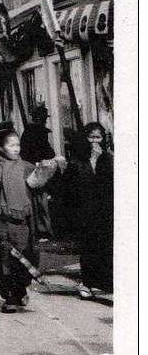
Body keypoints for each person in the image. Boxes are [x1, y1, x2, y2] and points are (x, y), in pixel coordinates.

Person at [0, 128, 65, 313]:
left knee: (26, 258)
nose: (16, 149)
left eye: (18, 145)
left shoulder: (26, 167)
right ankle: (9, 296)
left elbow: (39, 187)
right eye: (11, 145)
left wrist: (50, 169)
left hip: (24, 223)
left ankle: (21, 289)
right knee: (3, 261)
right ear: (0, 147)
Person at [63, 122, 114, 298]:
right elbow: (69, 188)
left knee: (105, 246)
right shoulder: (77, 161)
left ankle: (103, 282)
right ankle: (88, 282)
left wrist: (101, 161)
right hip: (84, 211)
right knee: (88, 247)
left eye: (98, 137)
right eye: (91, 137)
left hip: (104, 210)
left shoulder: (108, 159)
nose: (94, 141)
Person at [20, 105, 56, 239]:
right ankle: (44, 229)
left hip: (27, 168)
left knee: (33, 200)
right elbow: (47, 152)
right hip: (38, 169)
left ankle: (35, 229)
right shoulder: (40, 132)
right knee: (41, 201)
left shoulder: (27, 132)